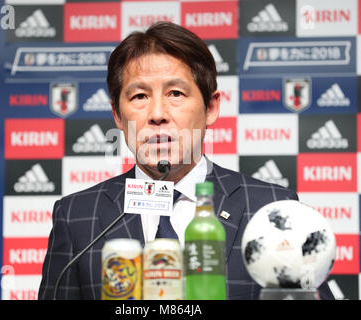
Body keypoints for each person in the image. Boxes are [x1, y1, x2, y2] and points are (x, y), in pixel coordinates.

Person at [38, 21, 334, 300]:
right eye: (139, 96)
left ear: (211, 108)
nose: (157, 114)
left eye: (175, 93)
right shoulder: (77, 216)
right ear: (117, 114)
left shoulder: (271, 208)